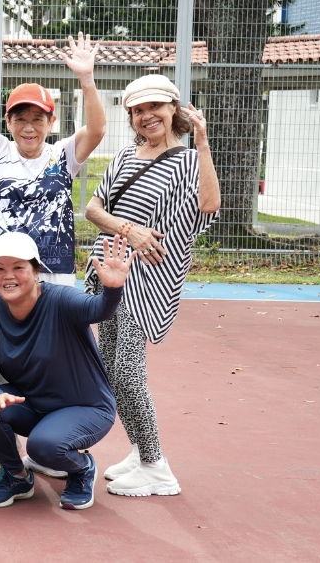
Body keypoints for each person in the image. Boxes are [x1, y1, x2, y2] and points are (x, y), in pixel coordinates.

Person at [84, 74, 220, 497]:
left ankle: (156, 466)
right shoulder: (126, 157)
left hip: (146, 282)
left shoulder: (187, 160)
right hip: (112, 272)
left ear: (174, 110)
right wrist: (132, 231)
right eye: (138, 111)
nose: (147, 116)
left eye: (155, 107)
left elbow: (209, 206)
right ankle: (141, 448)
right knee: (111, 369)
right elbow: (92, 207)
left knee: (126, 372)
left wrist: (202, 143)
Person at [0, 232, 133, 511]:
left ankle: (81, 469)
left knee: (43, 447)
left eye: (18, 267)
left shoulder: (61, 300)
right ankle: (17, 477)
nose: (8, 276)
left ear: (36, 271)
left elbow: (98, 309)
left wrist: (113, 290)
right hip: (35, 405)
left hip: (87, 407)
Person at [0, 11, 107, 291]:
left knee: (53, 334)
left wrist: (86, 79)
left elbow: (97, 130)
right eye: (21, 119)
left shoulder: (62, 155)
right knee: (2, 334)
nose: (29, 127)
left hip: (54, 267)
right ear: (8, 122)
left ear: (51, 123)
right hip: (2, 267)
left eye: (37, 119)